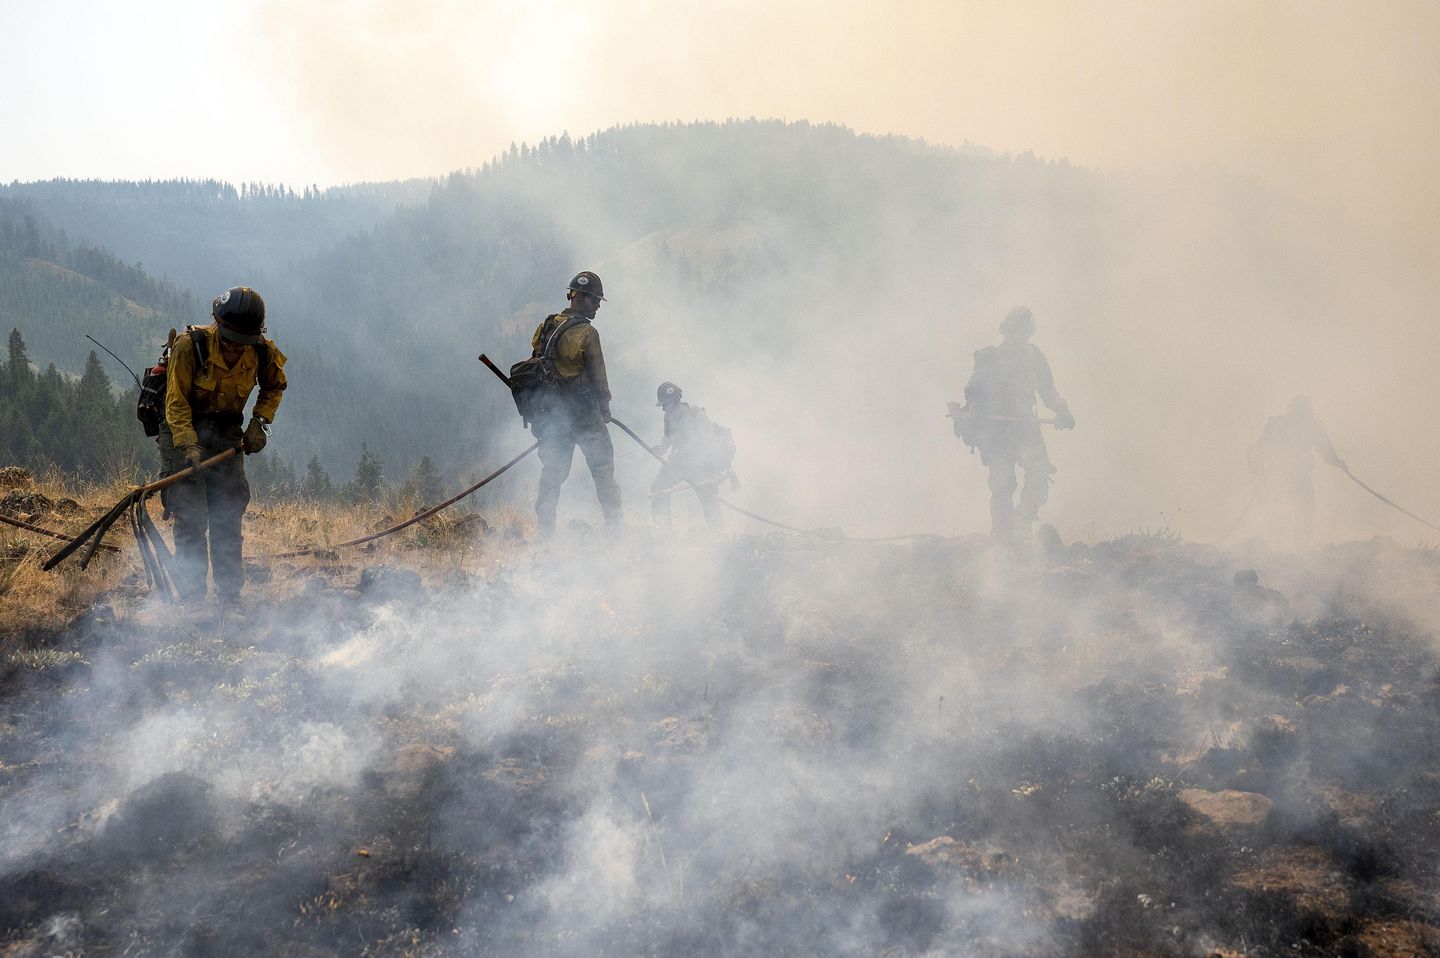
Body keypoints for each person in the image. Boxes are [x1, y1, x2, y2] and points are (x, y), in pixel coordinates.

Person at [161, 286, 286, 609]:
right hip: (183, 427)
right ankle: (192, 598)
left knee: (227, 514)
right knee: (190, 515)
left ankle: (230, 596)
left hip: (227, 429)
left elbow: (275, 386)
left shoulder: (262, 352)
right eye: (230, 338)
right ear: (217, 323)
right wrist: (188, 444)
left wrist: (260, 421)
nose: (234, 346)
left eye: (242, 341)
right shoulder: (190, 346)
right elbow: (176, 403)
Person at [958, 306, 1074, 540]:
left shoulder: (1034, 357)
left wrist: (1061, 409)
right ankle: (1001, 536)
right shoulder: (990, 358)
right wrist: (972, 416)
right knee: (1002, 483)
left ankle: (1023, 524)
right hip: (998, 432)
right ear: (1006, 332)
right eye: (1015, 332)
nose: (1020, 337)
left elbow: (1047, 389)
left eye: (1024, 332)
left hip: (1026, 428)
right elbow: (974, 395)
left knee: (1038, 474)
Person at [530, 271, 623, 538]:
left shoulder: (545, 327)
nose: (597, 306)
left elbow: (536, 365)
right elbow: (599, 378)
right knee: (603, 472)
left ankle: (545, 534)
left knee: (552, 474)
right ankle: (616, 533)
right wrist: (605, 410)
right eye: (595, 300)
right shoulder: (587, 333)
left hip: (553, 417)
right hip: (584, 416)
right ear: (579, 297)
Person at [1247, 395, 1345, 546]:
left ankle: (1291, 545)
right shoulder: (1292, 425)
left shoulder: (1290, 425)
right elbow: (1261, 448)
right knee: (1290, 509)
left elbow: (1326, 449)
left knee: (1297, 510)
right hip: (1283, 475)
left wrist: (1338, 463)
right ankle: (1286, 545)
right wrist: (1257, 467)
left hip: (1289, 475)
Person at [649, 381, 735, 530]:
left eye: (665, 404)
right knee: (658, 487)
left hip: (700, 464)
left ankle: (717, 534)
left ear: (676, 400)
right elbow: (668, 437)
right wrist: (660, 449)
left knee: (709, 498)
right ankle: (662, 529)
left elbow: (711, 445)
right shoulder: (669, 417)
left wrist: (715, 471)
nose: (663, 409)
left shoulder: (698, 417)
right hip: (679, 462)